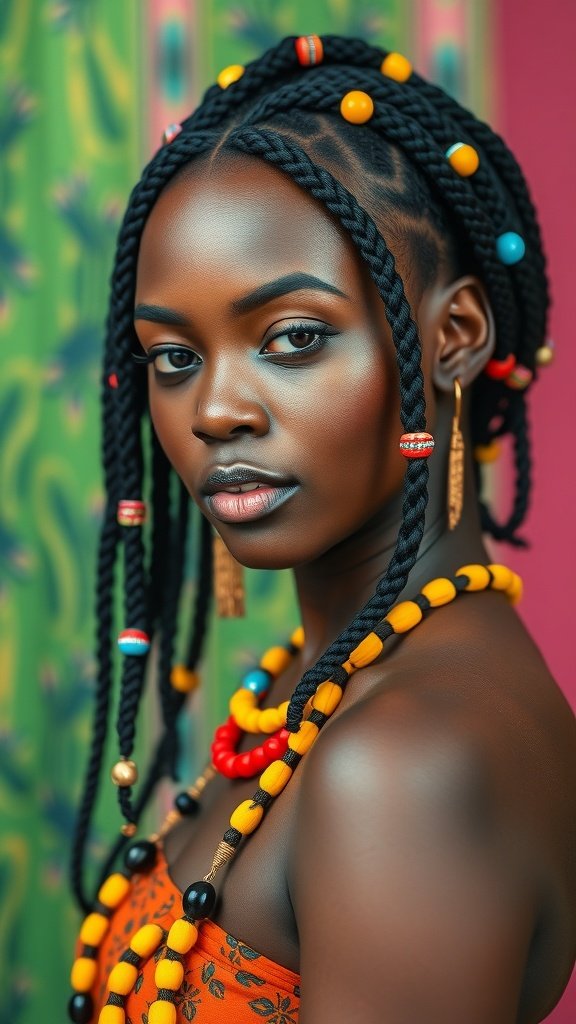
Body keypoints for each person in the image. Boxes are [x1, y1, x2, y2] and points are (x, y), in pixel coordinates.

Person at [67, 34, 576, 1024]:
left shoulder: (406, 762)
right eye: (173, 357)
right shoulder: (339, 682)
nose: (215, 409)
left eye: (291, 338)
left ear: (454, 338)